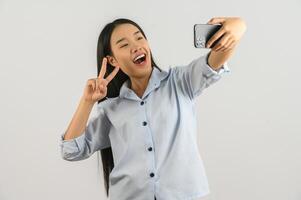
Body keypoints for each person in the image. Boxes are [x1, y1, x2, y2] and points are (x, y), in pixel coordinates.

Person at [59, 17, 246, 200]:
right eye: (124, 45)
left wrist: (238, 26)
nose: (136, 46)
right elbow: (71, 150)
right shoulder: (111, 110)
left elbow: (215, 62)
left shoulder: (180, 82)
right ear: (112, 60)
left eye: (139, 38)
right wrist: (87, 101)